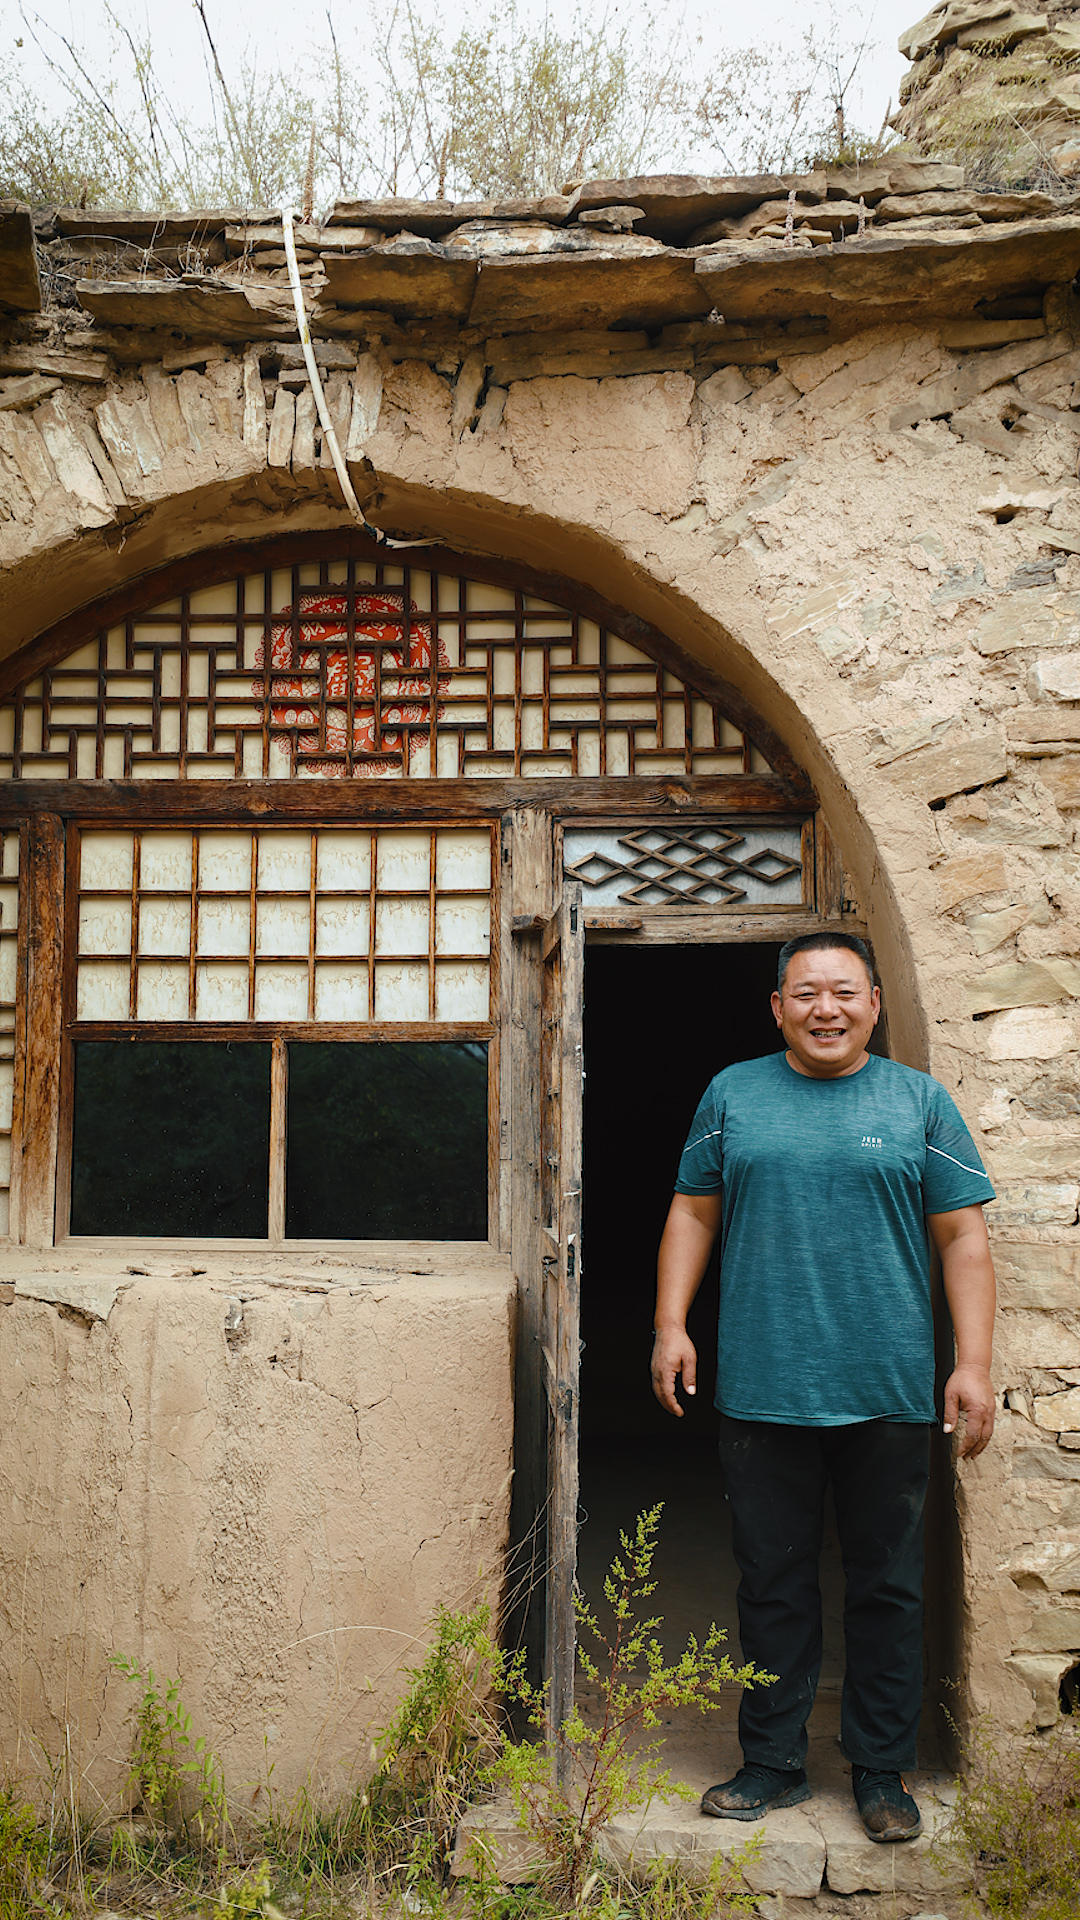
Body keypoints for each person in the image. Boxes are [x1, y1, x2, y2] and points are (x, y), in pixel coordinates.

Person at [650, 932, 996, 1844]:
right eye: (806, 993)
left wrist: (972, 1363)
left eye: (844, 992)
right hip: (765, 1387)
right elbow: (692, 1211)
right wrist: (671, 1325)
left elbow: (963, 1239)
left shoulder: (919, 1101)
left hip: (887, 1390)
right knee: (772, 1585)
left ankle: (881, 1770)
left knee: (887, 1587)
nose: (826, 1009)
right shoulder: (734, 1093)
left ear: (875, 1003)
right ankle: (772, 1762)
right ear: (778, 1008)